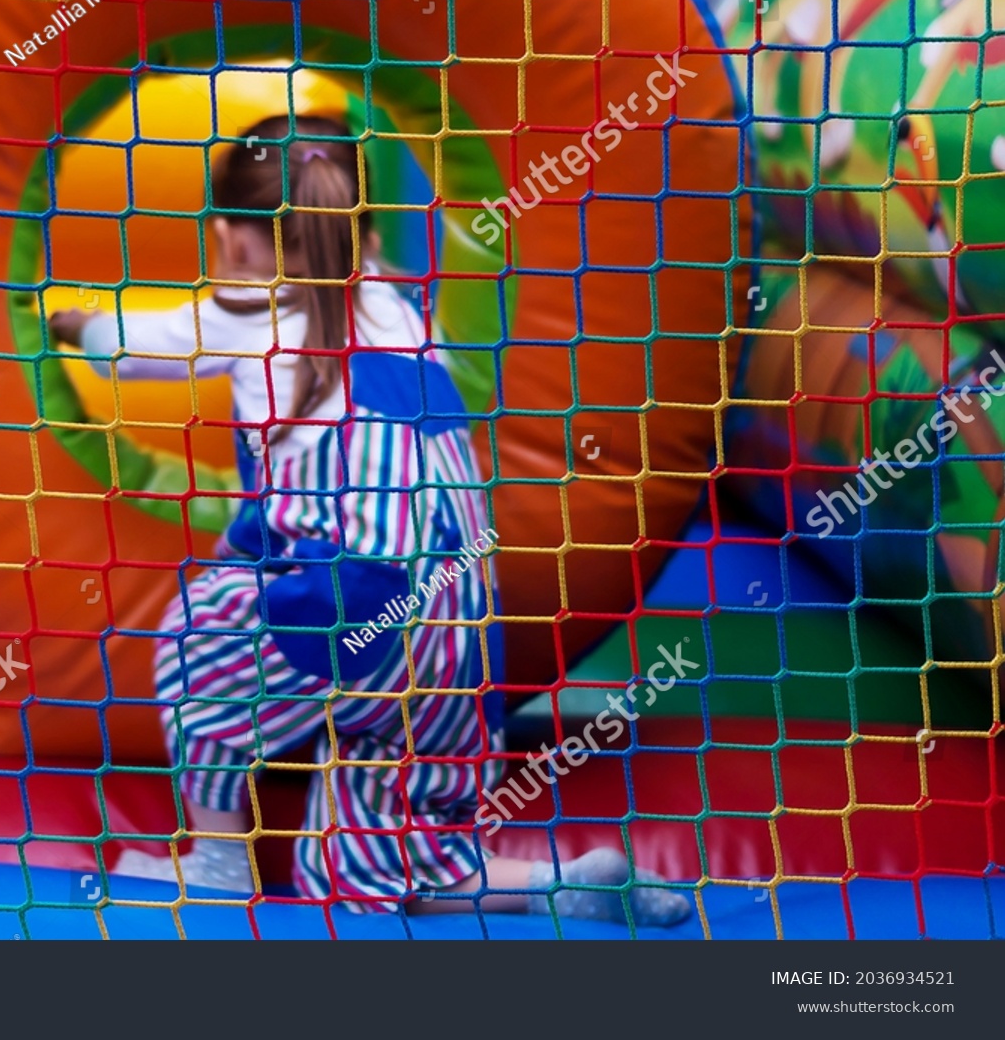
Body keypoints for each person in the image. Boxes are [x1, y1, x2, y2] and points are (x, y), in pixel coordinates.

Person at [49, 115, 688, 924]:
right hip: (461, 623)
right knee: (373, 857)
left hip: (360, 607)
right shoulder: (402, 310)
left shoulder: (243, 313)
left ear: (230, 238)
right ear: (362, 225)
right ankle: (560, 883)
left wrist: (65, 322)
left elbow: (121, 345)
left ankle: (215, 859)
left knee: (192, 648)